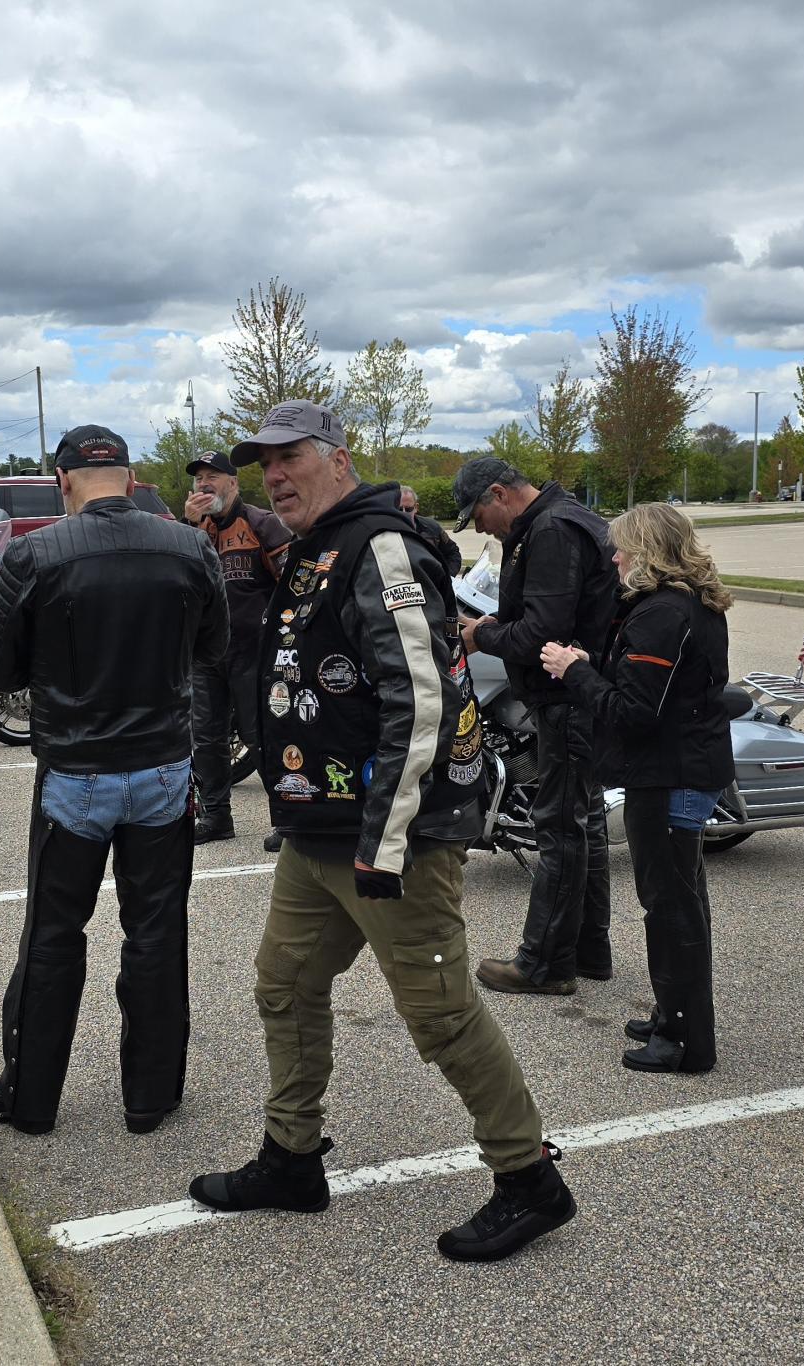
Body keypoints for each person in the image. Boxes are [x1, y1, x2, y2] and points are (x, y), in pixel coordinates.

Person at [188, 401, 576, 1263]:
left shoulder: (381, 546)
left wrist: (385, 839)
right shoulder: (317, 545)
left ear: (338, 458)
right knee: (285, 985)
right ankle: (291, 1159)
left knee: (440, 1014)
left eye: (290, 457)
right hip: (317, 829)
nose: (274, 476)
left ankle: (530, 1180)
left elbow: (422, 702)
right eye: (264, 464)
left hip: (393, 836)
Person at [0, 425, 228, 1135]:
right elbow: (213, 647)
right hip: (161, 768)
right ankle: (150, 1098)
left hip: (76, 771)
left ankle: (30, 1100)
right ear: (131, 477)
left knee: (53, 934)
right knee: (156, 932)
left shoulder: (35, 552)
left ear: (62, 482)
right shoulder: (190, 547)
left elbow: (1, 672)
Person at [540, 503, 734, 1074]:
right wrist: (593, 664)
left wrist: (574, 671)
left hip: (669, 775)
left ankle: (684, 1040)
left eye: (622, 547)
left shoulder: (662, 614)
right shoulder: (686, 602)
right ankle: (673, 1014)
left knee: (671, 910)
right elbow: (654, 692)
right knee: (680, 902)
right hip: (679, 767)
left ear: (647, 550)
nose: (615, 558)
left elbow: (634, 712)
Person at [453, 457, 616, 995]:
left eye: (479, 516)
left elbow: (542, 634)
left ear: (499, 494)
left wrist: (481, 636)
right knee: (584, 823)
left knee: (560, 828)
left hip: (566, 699)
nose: (481, 529)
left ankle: (545, 964)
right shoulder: (560, 519)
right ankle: (588, 949)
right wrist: (496, 624)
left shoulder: (550, 530)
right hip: (577, 696)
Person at [183, 449, 290, 851]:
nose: (204, 484)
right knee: (206, 738)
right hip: (206, 653)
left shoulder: (262, 523)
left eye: (213, 476)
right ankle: (216, 817)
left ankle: (287, 818)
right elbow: (181, 580)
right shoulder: (193, 530)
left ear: (233, 482)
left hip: (254, 652)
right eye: (199, 478)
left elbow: (292, 586)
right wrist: (190, 528)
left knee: (260, 735)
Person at [398, 484, 463, 580]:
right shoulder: (384, 532)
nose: (404, 513)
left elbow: (453, 553)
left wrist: (447, 578)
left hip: (432, 584)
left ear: (416, 507)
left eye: (408, 509)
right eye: (399, 509)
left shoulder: (432, 528)